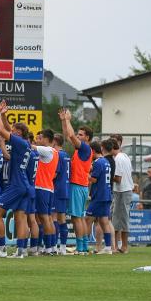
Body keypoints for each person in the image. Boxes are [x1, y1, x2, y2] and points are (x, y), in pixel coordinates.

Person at [0, 101, 32, 258]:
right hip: (24, 184)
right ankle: (21, 252)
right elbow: (7, 129)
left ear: (19, 133)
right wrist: (3, 114)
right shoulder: (26, 143)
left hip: (16, 184)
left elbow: (1, 130)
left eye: (15, 130)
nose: (12, 131)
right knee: (20, 218)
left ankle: (1, 249)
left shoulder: (20, 142)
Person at [59, 107, 94, 254]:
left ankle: (80, 248)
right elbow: (68, 136)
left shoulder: (85, 148)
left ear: (87, 138)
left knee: (76, 218)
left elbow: (71, 136)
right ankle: (84, 246)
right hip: (81, 185)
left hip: (78, 185)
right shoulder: (82, 149)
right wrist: (63, 121)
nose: (78, 137)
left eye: (81, 135)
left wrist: (68, 119)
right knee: (79, 217)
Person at [86, 141, 115, 255]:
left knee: (87, 219)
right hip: (107, 194)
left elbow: (94, 179)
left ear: (93, 151)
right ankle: (108, 248)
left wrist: (84, 173)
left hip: (99, 196)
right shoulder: (105, 161)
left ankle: (83, 245)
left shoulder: (98, 162)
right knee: (104, 221)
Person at [31, 129, 57, 255]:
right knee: (47, 218)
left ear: (47, 139)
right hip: (48, 187)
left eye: (40, 138)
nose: (38, 140)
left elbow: (29, 146)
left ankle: (48, 248)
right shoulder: (54, 152)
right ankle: (51, 247)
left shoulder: (47, 150)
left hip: (42, 187)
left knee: (44, 218)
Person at [110, 136, 134, 253]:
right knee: (117, 218)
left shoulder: (118, 159)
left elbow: (118, 179)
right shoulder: (125, 156)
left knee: (122, 218)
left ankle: (124, 246)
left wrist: (107, 176)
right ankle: (116, 246)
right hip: (124, 190)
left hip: (123, 191)